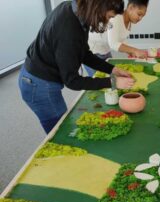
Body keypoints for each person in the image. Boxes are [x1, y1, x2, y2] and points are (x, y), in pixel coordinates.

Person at [19, 0, 135, 134]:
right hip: (38, 84)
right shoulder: (69, 29)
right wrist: (112, 82)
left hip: (40, 77)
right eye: (109, 17)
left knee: (62, 126)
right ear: (98, 8)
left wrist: (112, 69)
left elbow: (84, 53)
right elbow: (72, 81)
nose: (108, 22)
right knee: (60, 132)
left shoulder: (76, 11)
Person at [85, 0, 149, 77]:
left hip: (105, 51)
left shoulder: (129, 23)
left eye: (142, 16)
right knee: (99, 81)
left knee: (112, 78)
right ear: (130, 7)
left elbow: (121, 40)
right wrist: (135, 50)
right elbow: (113, 44)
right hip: (91, 52)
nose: (140, 18)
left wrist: (132, 53)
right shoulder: (116, 17)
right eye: (139, 14)